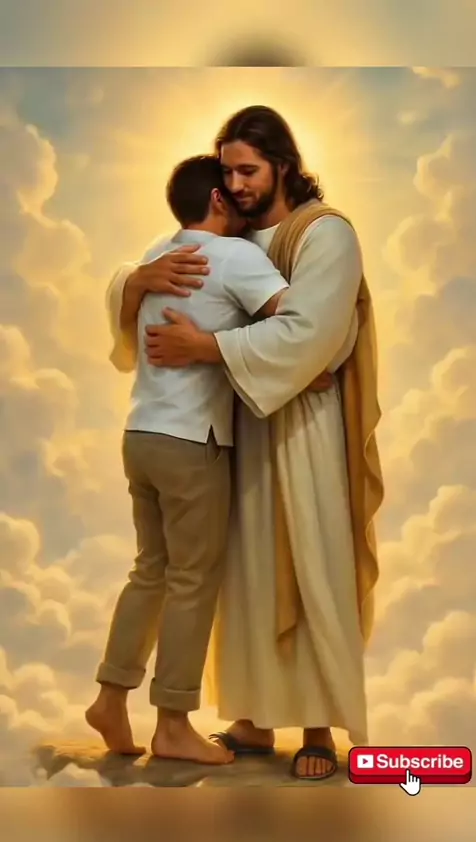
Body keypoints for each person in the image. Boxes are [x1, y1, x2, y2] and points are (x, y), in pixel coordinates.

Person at [105, 106, 384, 781]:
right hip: (230, 427)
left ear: (283, 165)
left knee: (311, 566)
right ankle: (254, 716)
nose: (235, 184)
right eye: (227, 172)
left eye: (249, 170)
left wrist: (207, 346)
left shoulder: (324, 233)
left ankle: (317, 728)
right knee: (242, 576)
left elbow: (313, 335)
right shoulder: (232, 237)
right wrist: (137, 281)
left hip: (302, 431)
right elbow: (143, 279)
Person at [85, 153, 331, 765]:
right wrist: (314, 366)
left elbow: (123, 304)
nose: (243, 197)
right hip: (192, 441)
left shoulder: (157, 253)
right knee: (193, 582)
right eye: (233, 188)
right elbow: (295, 325)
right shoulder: (236, 257)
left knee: (151, 570)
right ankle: (172, 722)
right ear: (218, 200)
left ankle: (111, 696)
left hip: (141, 433)